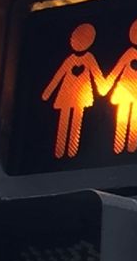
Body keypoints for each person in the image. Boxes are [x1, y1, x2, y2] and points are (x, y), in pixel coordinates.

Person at [41, 23, 105, 159]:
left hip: (80, 95)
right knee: (64, 121)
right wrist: (47, 93)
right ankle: (60, 150)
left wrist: (103, 87)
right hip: (67, 94)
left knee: (76, 120)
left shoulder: (89, 58)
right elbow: (58, 76)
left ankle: (71, 150)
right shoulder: (70, 59)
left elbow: (96, 73)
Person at [99, 18, 137, 154]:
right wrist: (105, 86)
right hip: (125, 90)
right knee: (122, 119)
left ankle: (132, 146)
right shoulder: (129, 54)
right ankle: (120, 146)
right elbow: (117, 69)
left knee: (135, 118)